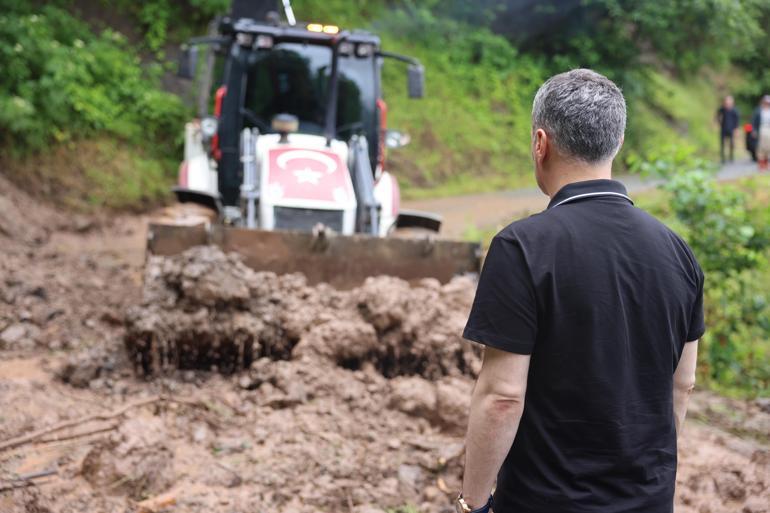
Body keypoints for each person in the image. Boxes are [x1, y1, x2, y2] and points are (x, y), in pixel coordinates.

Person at [456, 69, 704, 513]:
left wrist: (472, 504)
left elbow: (502, 396)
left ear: (540, 143)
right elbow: (681, 385)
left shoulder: (522, 248)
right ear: (617, 143)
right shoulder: (677, 253)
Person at [716, 95, 740, 163]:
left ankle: (731, 157)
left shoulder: (734, 110)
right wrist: (719, 123)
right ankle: (722, 158)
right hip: (723, 128)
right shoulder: (722, 109)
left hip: (731, 129)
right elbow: (718, 116)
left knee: (731, 143)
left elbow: (737, 120)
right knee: (722, 144)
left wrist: (736, 129)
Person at [751, 95, 770, 170]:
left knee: (768, 146)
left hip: (769, 129)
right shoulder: (759, 111)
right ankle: (761, 164)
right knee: (761, 147)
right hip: (761, 129)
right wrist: (754, 130)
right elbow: (753, 121)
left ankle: (767, 163)